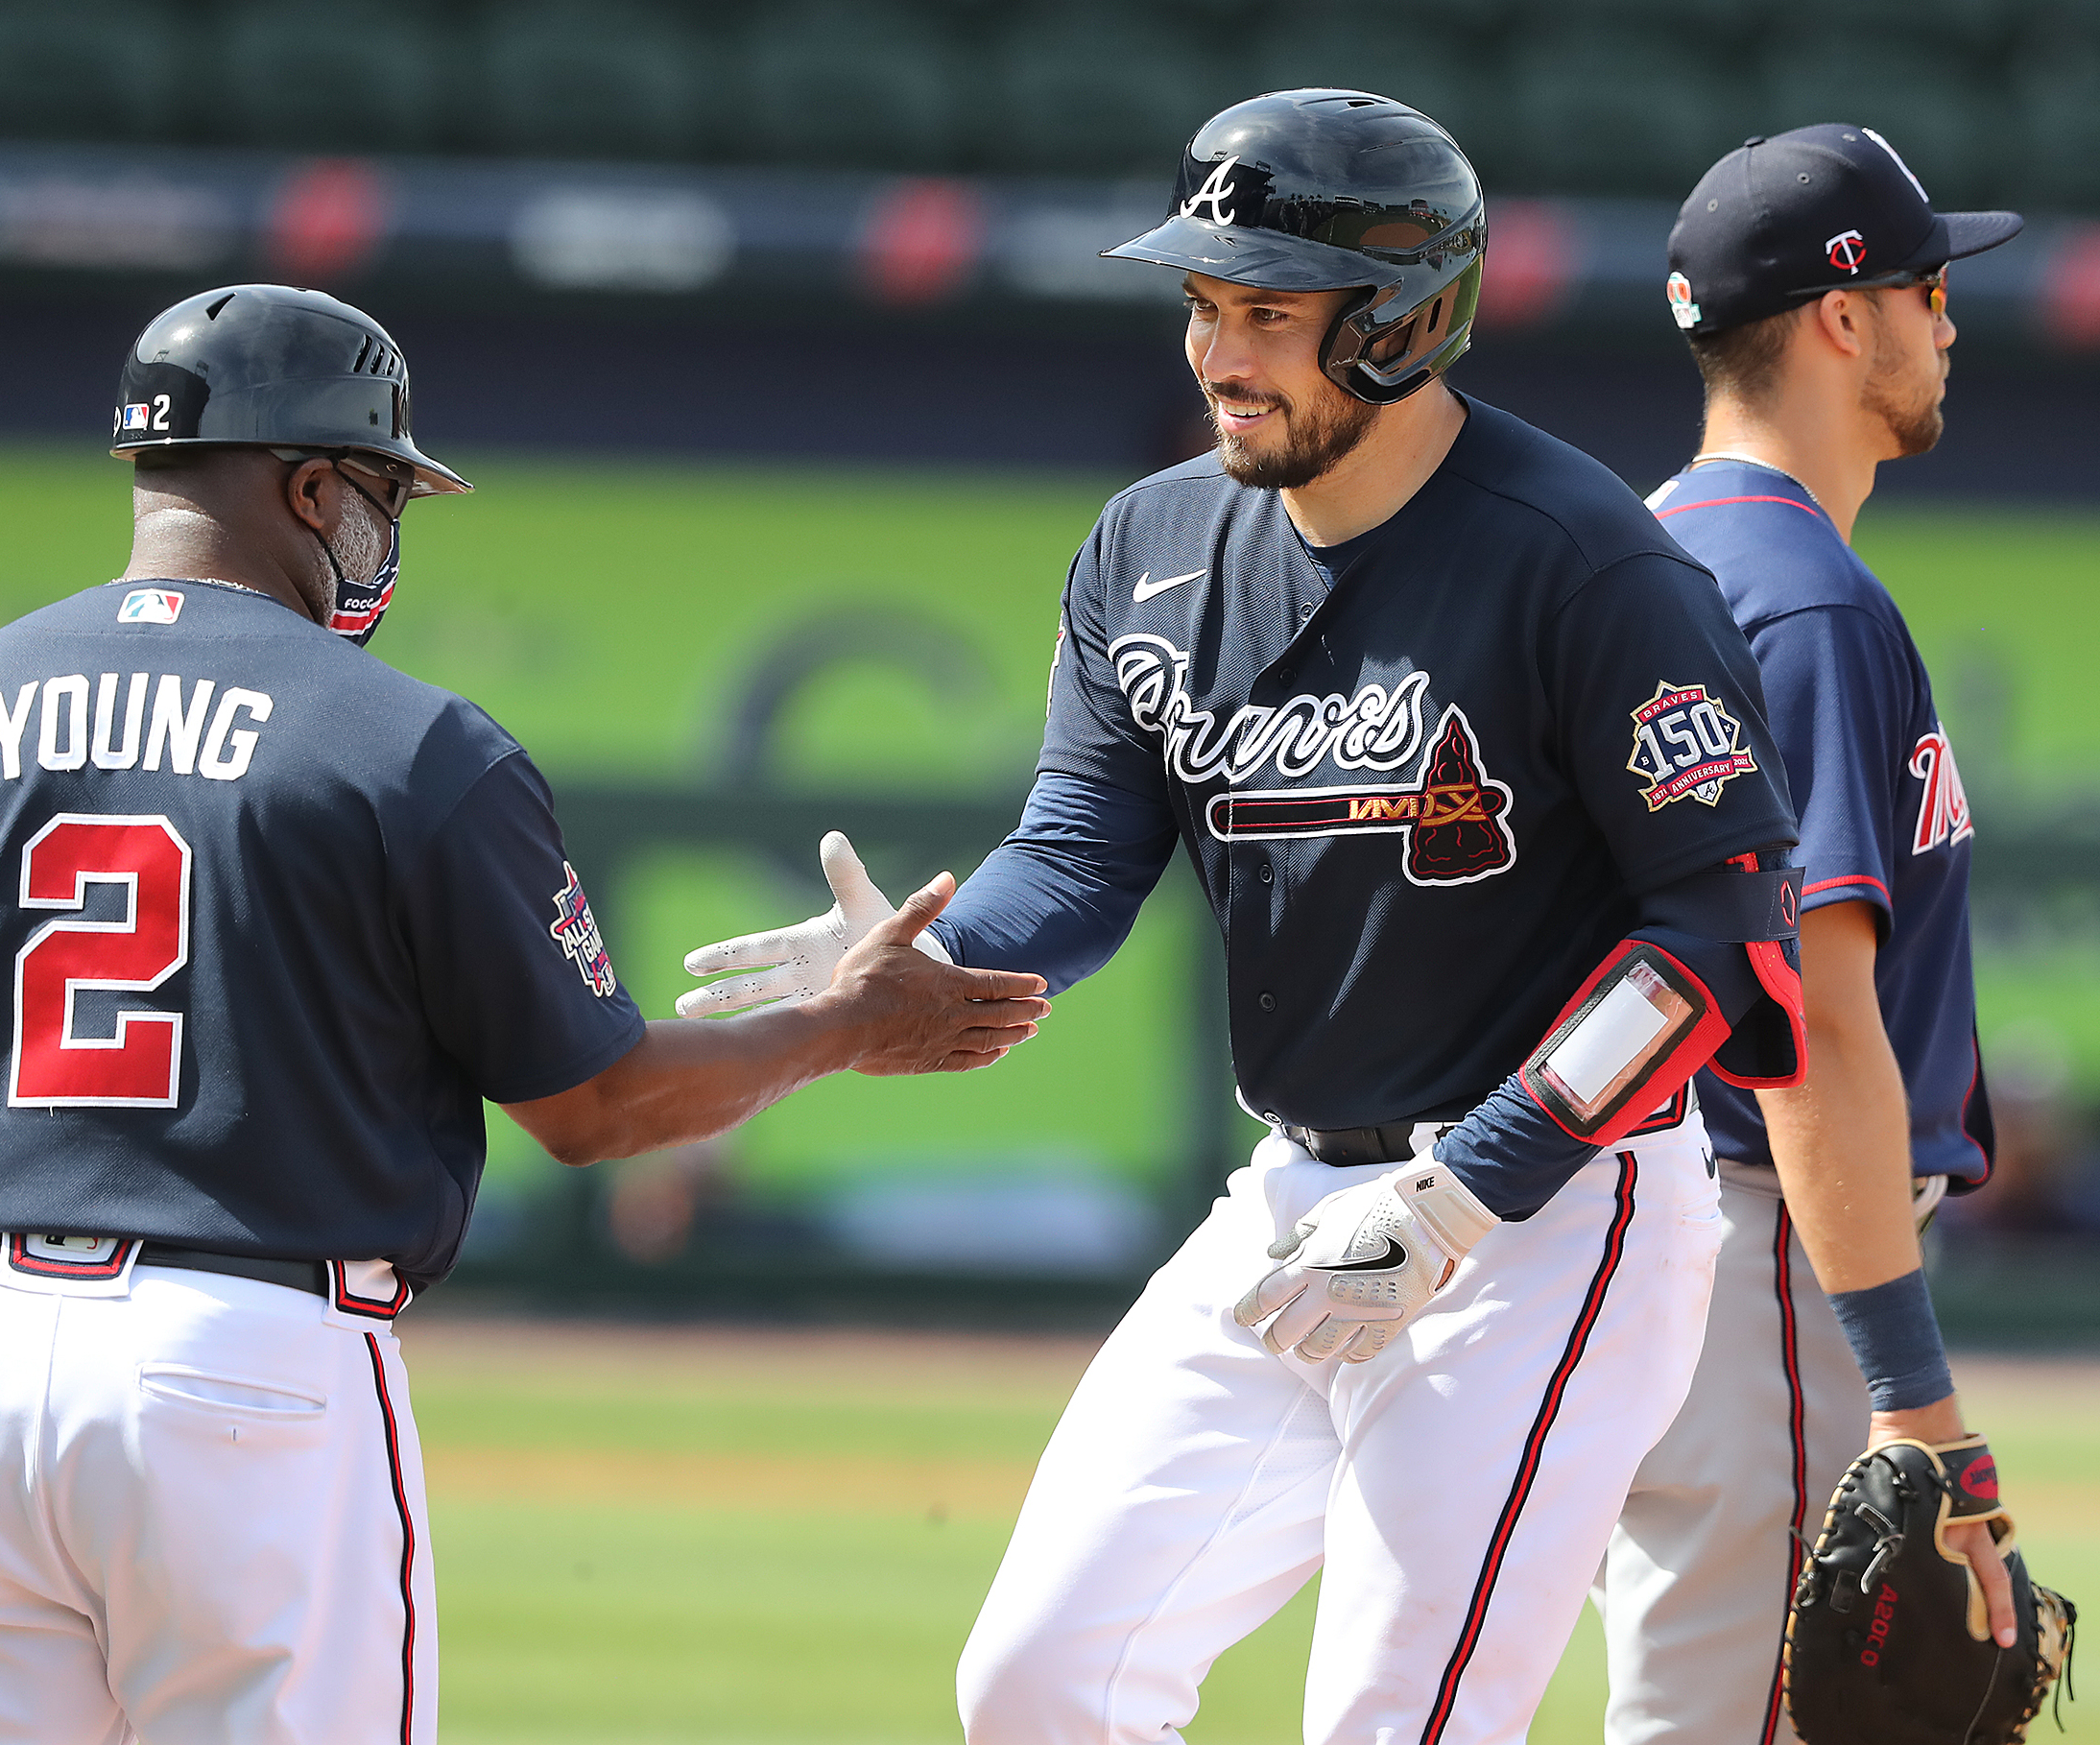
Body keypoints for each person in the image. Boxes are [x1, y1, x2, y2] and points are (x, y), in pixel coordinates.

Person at [679, 91, 1806, 1744]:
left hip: (1553, 1217)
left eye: (1269, 310)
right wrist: (935, 958)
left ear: (1406, 320)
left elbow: (1725, 934)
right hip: (1290, 1190)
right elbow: (1077, 849)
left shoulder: (1584, 563)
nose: (1219, 349)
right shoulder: (1151, 542)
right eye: (1205, 302)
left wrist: (1470, 1191)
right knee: (1042, 1676)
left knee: (1393, 1718)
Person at [0, 283, 1048, 1744]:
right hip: (249, 1366)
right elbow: (598, 1106)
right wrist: (845, 1021)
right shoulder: (406, 746)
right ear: (310, 485)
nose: (385, 528)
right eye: (381, 490)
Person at [1600, 126, 2022, 1744]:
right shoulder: (1809, 602)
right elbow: (1813, 1027)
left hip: (1642, 1227)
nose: (1949, 323)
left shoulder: (1637, 549)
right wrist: (1919, 1401)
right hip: (1769, 1243)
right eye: (1927, 287)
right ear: (1844, 318)